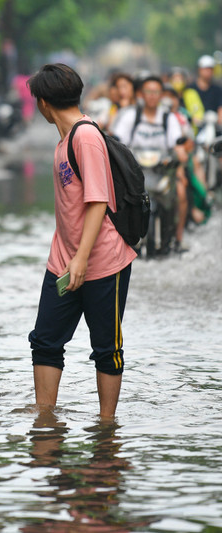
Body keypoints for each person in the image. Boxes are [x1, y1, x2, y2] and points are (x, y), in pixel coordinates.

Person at [26, 63, 137, 419]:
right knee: (44, 341)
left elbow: (98, 201)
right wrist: (68, 257)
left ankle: (107, 428)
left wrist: (82, 258)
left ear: (43, 103)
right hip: (64, 260)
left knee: (106, 348)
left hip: (103, 262)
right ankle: (45, 420)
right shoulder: (64, 140)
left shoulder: (85, 136)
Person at [112, 75, 189, 250]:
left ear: (161, 95)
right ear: (141, 94)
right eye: (148, 92)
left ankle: (178, 238)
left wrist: (180, 154)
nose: (152, 96)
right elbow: (117, 141)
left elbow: (177, 143)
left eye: (156, 92)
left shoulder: (169, 119)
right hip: (136, 175)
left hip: (162, 172)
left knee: (181, 193)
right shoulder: (131, 116)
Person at [184, 55, 222, 129]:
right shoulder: (190, 89)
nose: (208, 71)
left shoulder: (217, 90)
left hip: (214, 127)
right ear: (199, 70)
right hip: (194, 129)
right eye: (205, 69)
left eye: (210, 69)